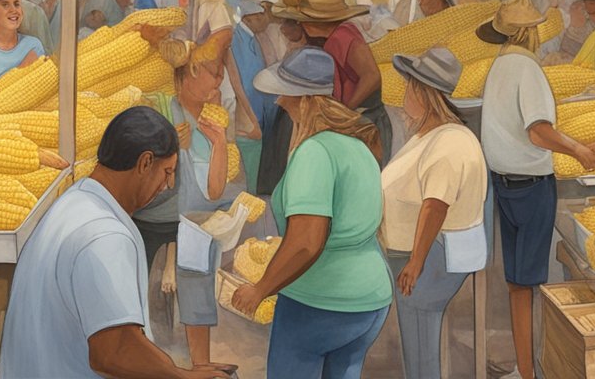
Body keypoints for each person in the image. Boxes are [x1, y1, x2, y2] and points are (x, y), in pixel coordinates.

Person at [0, 106, 230, 379]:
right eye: (167, 172)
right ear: (144, 163)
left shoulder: (76, 200)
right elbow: (113, 352)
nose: (167, 186)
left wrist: (176, 370)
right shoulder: (106, 235)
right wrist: (180, 376)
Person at [230, 48, 390, 379]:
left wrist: (260, 289)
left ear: (302, 99)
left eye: (284, 95)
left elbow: (307, 241)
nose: (278, 102)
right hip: (369, 299)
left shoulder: (314, 152)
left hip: (319, 301)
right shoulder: (357, 144)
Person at [477, 0, 595, 379]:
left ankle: (525, 369)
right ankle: (540, 369)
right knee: (538, 280)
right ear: (530, 32)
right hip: (531, 187)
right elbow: (538, 130)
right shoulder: (528, 69)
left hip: (503, 183)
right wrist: (579, 149)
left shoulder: (498, 66)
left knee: (518, 283)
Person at [133, 39, 246, 370]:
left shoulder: (216, 120)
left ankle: (201, 364)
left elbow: (213, 190)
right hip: (154, 214)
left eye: (222, 74)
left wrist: (220, 144)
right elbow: (141, 174)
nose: (218, 82)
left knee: (198, 277)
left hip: (196, 215)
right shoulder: (159, 107)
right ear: (189, 73)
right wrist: (168, 144)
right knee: (136, 286)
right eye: (213, 73)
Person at [380, 47, 488, 379]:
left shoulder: (449, 143)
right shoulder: (430, 135)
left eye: (409, 88)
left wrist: (416, 262)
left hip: (431, 255)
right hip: (416, 250)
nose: (403, 96)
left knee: (420, 338)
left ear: (424, 94)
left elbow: (435, 206)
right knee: (415, 335)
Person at [281, 0, 393, 167]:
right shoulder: (334, 38)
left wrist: (344, 111)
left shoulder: (343, 37)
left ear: (315, 21)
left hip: (366, 120)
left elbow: (372, 76)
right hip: (356, 120)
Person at [225, 0, 272, 192]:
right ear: (249, 17)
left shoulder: (254, 38)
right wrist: (249, 118)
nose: (266, 20)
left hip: (259, 115)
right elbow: (238, 85)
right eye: (261, 16)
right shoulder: (236, 39)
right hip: (246, 119)